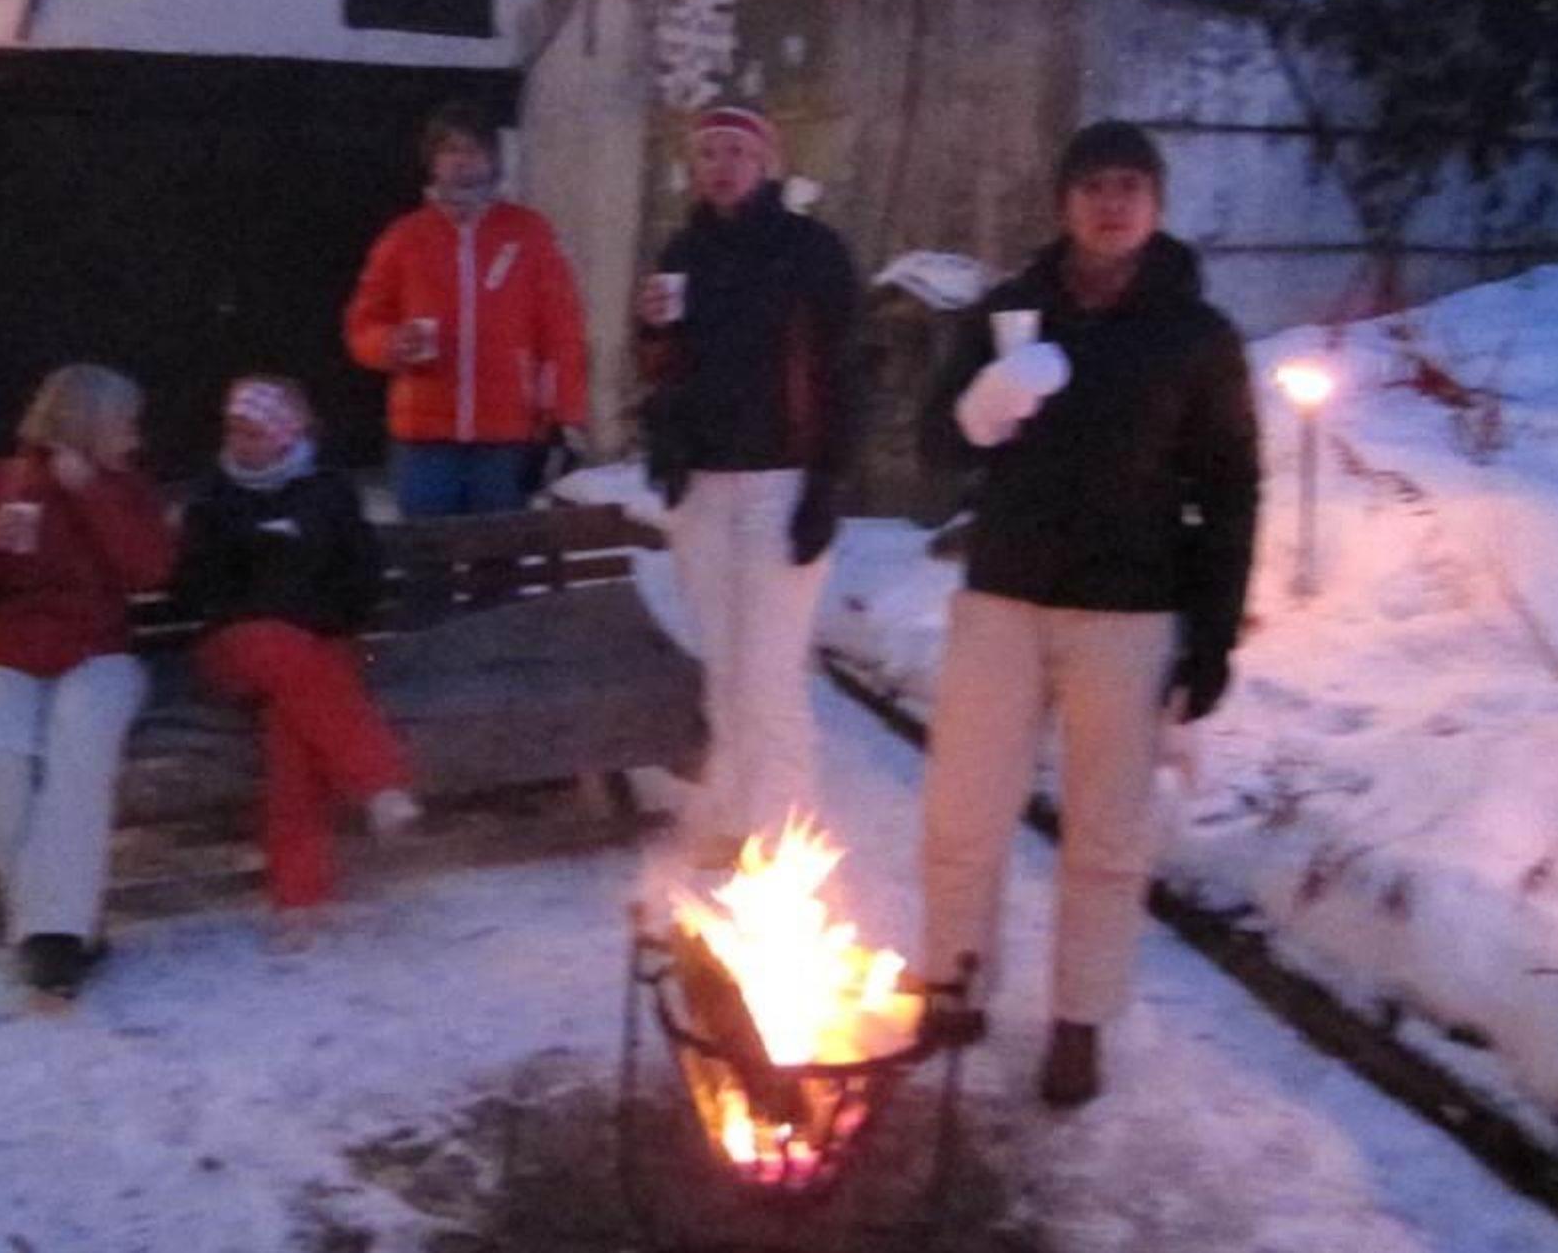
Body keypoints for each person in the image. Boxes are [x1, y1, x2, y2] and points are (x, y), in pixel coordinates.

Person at [913, 120, 1260, 1106]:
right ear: (1064, 202)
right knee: (963, 810)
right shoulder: (1008, 311)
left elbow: (1230, 490)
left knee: (1106, 833)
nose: (1111, 204)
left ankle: (1079, 1019)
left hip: (1128, 611)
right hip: (1003, 598)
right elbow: (936, 443)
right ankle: (954, 980)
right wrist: (977, 409)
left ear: (1154, 206)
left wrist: (1212, 637)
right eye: (1094, 186)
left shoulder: (1195, 335)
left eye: (1130, 187)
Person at [635, 105, 861, 868]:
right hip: (702, 485)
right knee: (726, 670)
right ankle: (735, 814)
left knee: (770, 676)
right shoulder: (682, 251)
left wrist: (826, 483)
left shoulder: (810, 250)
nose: (722, 165)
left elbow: (845, 371)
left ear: (767, 161)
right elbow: (665, 367)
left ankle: (786, 838)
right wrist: (653, 342)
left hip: (780, 485)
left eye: (736, 150)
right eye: (708, 153)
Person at [0, 364, 175, 996]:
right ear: (87, 424)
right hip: (5, 656)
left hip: (99, 656)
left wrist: (91, 495)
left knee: (78, 744)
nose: (136, 437)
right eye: (125, 424)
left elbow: (151, 570)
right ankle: (69, 925)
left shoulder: (125, 488)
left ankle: (51, 940)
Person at [177, 375, 420, 928]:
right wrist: (262, 597)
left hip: (318, 647)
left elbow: (362, 577)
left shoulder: (327, 491)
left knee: (292, 737)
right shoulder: (212, 497)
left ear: (286, 435)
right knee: (278, 645)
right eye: (233, 431)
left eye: (253, 432)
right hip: (235, 646)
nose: (239, 442)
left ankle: (299, 897)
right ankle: (380, 782)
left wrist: (318, 617)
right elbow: (194, 590)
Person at [344, 102, 590, 517]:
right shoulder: (404, 238)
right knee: (427, 550)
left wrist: (565, 414)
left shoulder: (529, 233)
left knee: (498, 550)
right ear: (432, 161)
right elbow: (361, 325)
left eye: (473, 150)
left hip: (505, 434)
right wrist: (390, 344)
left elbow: (562, 331)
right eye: (450, 150)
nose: (461, 161)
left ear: (493, 158)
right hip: (423, 437)